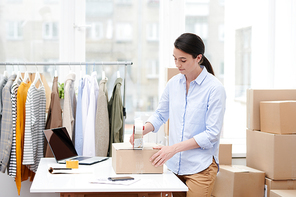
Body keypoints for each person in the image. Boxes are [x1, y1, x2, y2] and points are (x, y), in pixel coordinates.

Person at [130, 33, 226, 197]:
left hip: (200, 167)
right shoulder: (174, 83)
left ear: (198, 58)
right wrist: (143, 129)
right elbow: (160, 114)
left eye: (183, 60)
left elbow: (211, 134)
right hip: (174, 166)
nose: (177, 64)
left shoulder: (214, 89)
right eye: (175, 58)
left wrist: (173, 149)